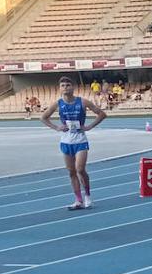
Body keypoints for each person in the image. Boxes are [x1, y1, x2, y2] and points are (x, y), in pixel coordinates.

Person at [41, 76, 106, 211]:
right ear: (60, 89)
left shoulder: (82, 102)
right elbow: (43, 117)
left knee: (80, 170)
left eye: (68, 85)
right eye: (63, 86)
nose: (65, 88)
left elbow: (101, 114)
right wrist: (56, 127)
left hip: (80, 140)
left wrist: (89, 127)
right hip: (66, 141)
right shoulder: (58, 104)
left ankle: (87, 195)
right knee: (71, 172)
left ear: (73, 87)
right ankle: (78, 200)